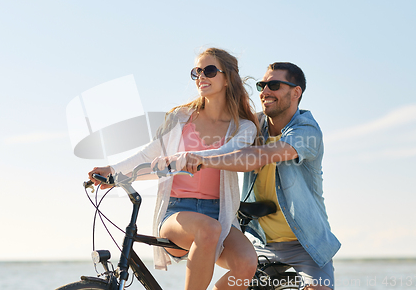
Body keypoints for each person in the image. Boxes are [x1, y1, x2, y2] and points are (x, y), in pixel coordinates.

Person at [89, 48, 260, 290]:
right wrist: (113, 169)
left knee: (246, 263)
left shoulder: (242, 127)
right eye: (196, 71)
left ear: (228, 78)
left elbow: (229, 154)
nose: (201, 76)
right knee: (208, 229)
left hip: (220, 212)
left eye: (209, 70)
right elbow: (150, 153)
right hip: (178, 212)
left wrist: (192, 156)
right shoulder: (180, 118)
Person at [170, 62, 341, 290]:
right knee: (235, 279)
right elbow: (218, 114)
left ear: (296, 92)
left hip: (306, 245)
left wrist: (203, 159)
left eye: (274, 85)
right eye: (262, 85)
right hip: (258, 242)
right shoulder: (252, 125)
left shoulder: (306, 131)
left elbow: (261, 155)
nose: (265, 91)